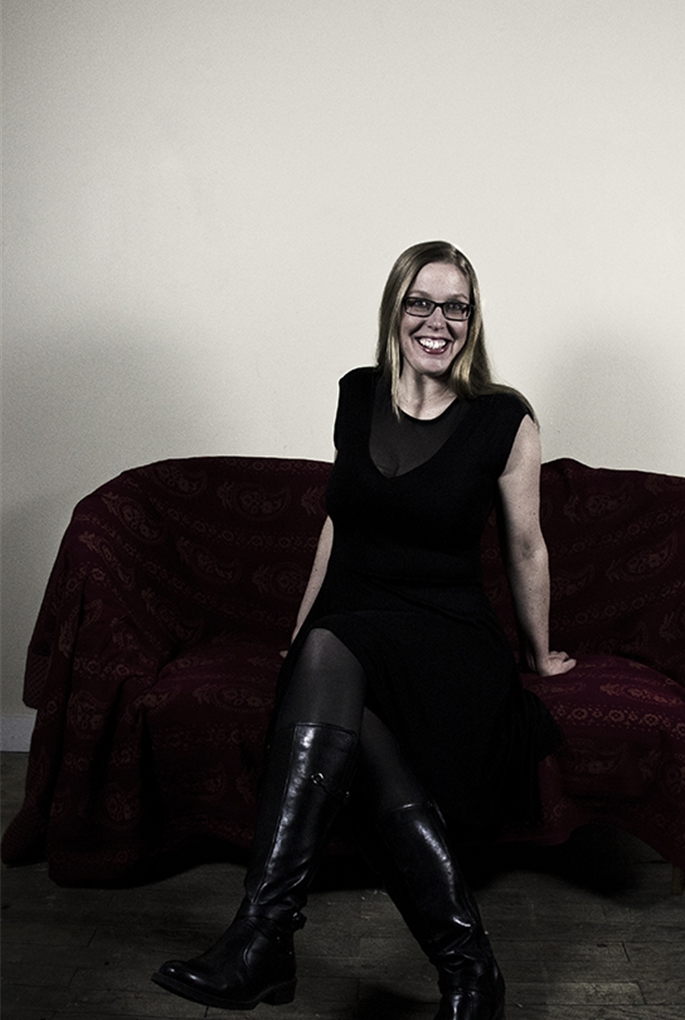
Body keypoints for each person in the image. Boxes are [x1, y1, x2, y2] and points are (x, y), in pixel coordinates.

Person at [152, 240, 576, 1018]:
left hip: (445, 636)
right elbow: (336, 526)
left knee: (339, 671)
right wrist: (301, 631)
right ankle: (468, 972)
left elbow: (526, 547)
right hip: (351, 626)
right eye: (422, 303)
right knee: (352, 706)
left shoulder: (504, 419)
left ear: (473, 320)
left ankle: (264, 943)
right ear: (396, 310)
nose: (438, 321)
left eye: (456, 307)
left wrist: (540, 654)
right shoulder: (356, 394)